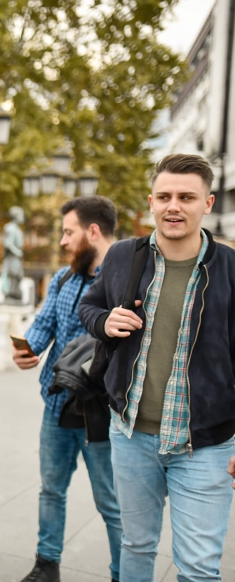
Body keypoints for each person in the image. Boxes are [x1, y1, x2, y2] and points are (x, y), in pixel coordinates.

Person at [80, 154, 235, 582]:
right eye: (164, 196)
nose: (174, 206)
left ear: (208, 202)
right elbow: (89, 306)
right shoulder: (123, 257)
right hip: (130, 434)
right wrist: (105, 322)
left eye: (187, 197)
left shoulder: (230, 269)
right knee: (136, 546)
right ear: (150, 201)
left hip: (204, 445)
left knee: (199, 568)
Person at [12, 196, 121, 582]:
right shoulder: (62, 278)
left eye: (68, 232)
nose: (62, 241)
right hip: (56, 404)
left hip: (101, 411)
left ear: (93, 232)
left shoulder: (126, 282)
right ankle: (47, 564)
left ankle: (122, 572)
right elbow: (43, 324)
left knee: (111, 501)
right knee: (51, 490)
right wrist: (29, 349)